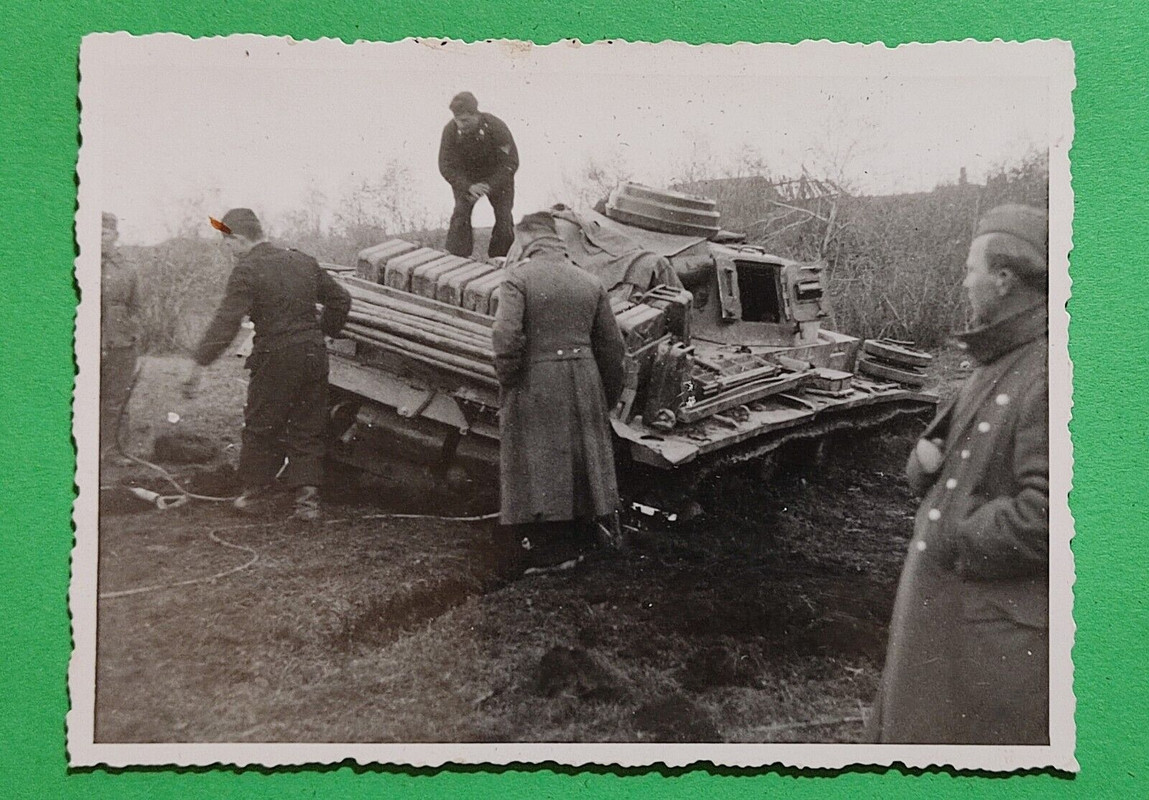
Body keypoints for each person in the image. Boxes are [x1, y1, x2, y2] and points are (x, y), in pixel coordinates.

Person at [868, 204, 1051, 744]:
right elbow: (944, 458)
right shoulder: (999, 359)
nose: (964, 281)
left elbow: (1050, 514)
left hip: (982, 637)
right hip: (949, 618)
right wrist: (923, 466)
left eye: (971, 268)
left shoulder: (1048, 372)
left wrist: (951, 529)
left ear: (1004, 279)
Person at [182, 208, 351, 521]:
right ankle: (307, 504)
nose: (227, 249)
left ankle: (256, 496)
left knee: (262, 426)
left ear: (240, 239)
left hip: (275, 357)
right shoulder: (303, 260)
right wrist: (324, 333)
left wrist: (200, 361)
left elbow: (227, 320)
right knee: (308, 426)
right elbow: (341, 299)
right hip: (314, 356)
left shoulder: (247, 269)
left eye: (227, 242)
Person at [492, 211, 626, 570]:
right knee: (578, 463)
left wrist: (508, 382)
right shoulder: (590, 282)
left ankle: (549, 554)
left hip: (537, 379)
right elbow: (613, 349)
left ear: (525, 240)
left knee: (542, 464)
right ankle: (583, 541)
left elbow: (506, 338)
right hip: (585, 378)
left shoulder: (516, 279)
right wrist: (603, 396)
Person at [438, 91, 519, 259]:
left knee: (504, 217)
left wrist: (489, 186)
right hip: (467, 179)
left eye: (465, 121)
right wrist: (467, 186)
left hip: (497, 178)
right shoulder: (450, 131)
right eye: (457, 120)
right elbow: (445, 166)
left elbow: (511, 163)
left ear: (476, 115)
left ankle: (500, 258)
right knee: (461, 214)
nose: (461, 125)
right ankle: (456, 257)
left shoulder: (496, 127)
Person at [100, 212, 141, 460]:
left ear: (115, 235)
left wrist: (132, 333)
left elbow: (136, 306)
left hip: (121, 342)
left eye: (104, 233)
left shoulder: (127, 268)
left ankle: (114, 450)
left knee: (117, 397)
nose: (98, 238)